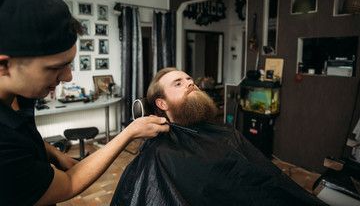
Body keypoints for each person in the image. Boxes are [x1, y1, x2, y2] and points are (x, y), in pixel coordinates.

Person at [0, 0, 169, 206]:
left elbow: (27, 134)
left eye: (69, 63)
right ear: (4, 65)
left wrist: (55, 154)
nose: (68, 77)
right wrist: (128, 133)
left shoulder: (19, 94)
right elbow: (68, 184)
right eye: (54, 67)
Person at [110, 68, 326, 206]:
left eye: (189, 79)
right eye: (178, 83)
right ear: (162, 104)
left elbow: (261, 180)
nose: (189, 83)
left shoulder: (222, 132)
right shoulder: (158, 155)